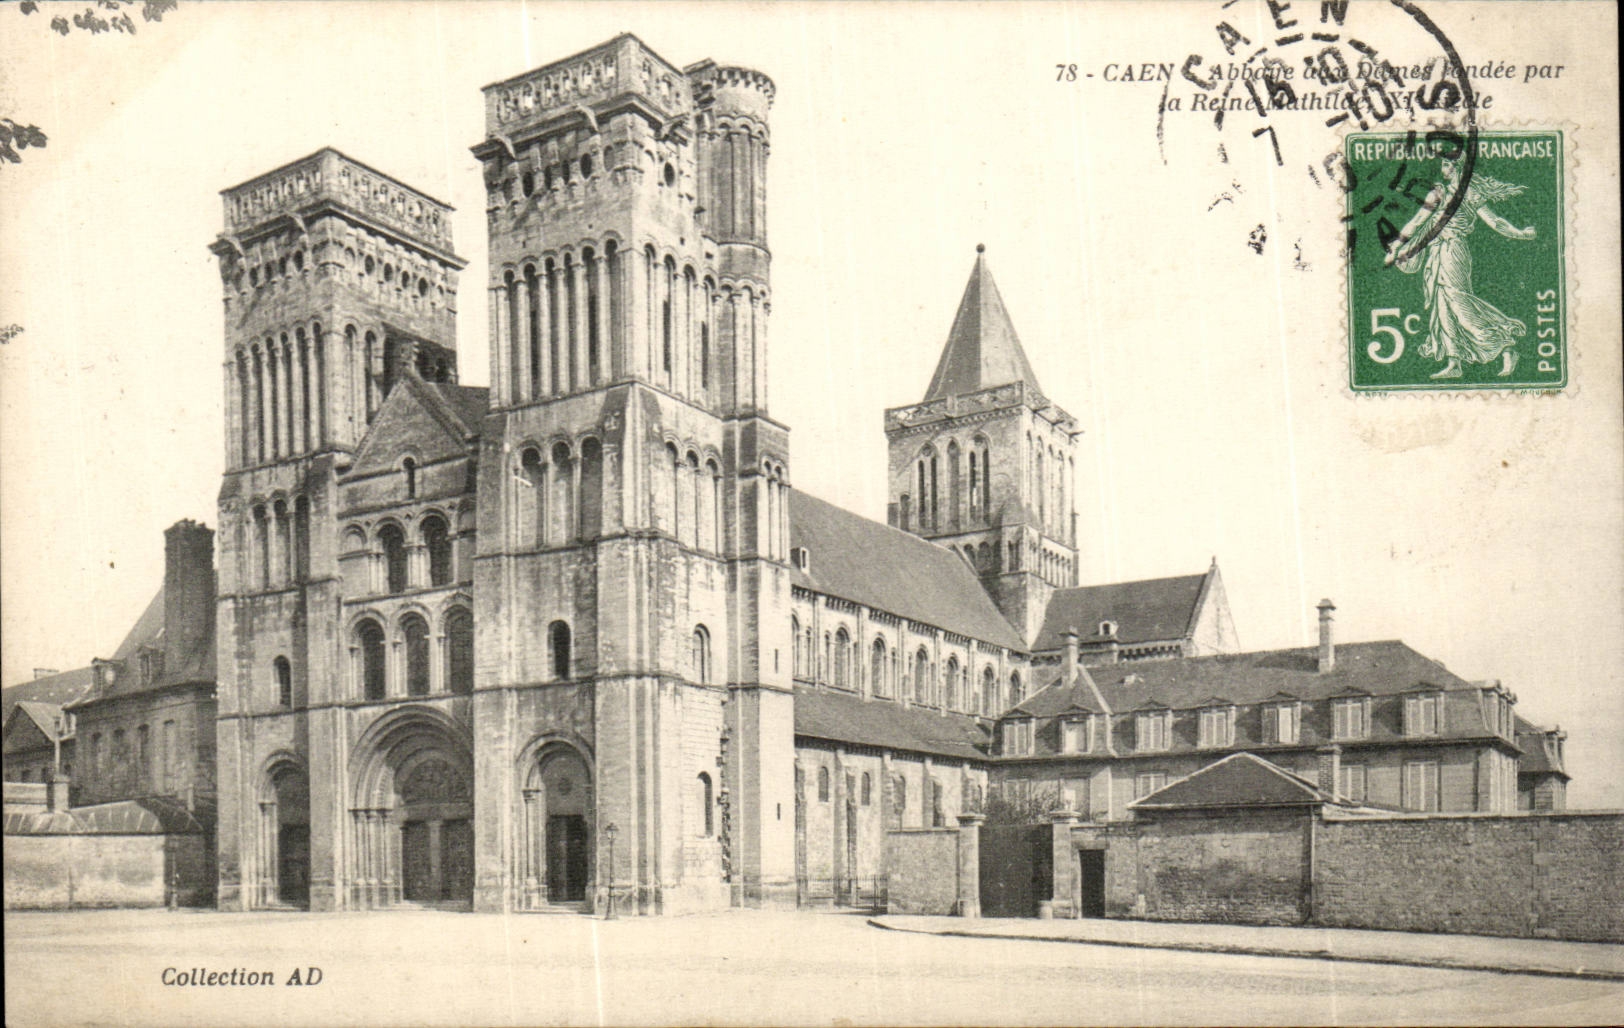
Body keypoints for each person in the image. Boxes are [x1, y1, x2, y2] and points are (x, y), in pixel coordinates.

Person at [1385, 155, 1537, 378]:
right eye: (1443, 164)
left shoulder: (1470, 193)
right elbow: (1417, 221)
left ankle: (1505, 347)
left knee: (1458, 303)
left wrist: (1521, 234)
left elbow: (1495, 222)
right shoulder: (1437, 193)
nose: (1442, 168)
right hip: (1436, 252)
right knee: (1442, 306)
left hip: (1455, 250)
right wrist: (1397, 244)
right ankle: (1454, 362)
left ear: (1458, 168)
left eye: (1447, 164)